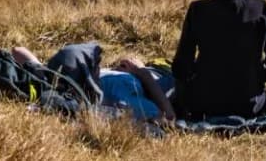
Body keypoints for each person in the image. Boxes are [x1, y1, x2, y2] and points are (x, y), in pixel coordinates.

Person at [10, 42, 176, 123]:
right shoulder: (118, 93)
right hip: (158, 76)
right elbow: (167, 116)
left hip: (142, 72)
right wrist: (142, 72)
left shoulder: (56, 81)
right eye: (96, 63)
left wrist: (43, 70)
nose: (99, 65)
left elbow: (18, 51)